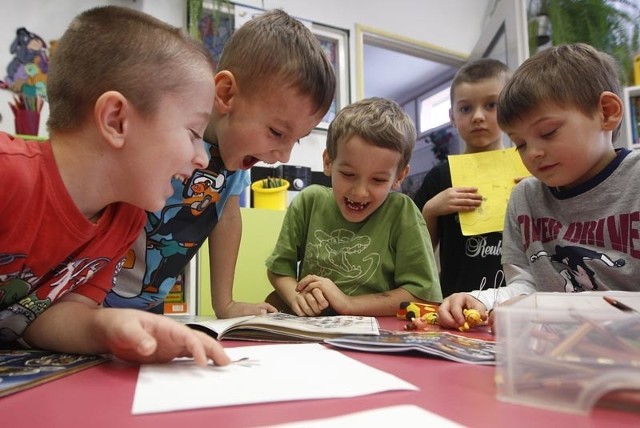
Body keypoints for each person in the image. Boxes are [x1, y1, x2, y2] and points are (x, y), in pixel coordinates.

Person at [0, 6, 230, 367]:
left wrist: (107, 327)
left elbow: (52, 318)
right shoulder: (8, 174)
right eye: (193, 133)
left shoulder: (125, 222)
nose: (202, 159)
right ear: (115, 120)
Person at [104, 9, 336, 318]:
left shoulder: (235, 161)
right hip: (86, 299)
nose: (284, 156)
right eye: (277, 132)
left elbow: (227, 222)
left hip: (147, 306)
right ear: (226, 94)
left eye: (297, 139)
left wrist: (224, 303)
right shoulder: (169, 137)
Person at [438, 43, 640, 330]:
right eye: (520, 143)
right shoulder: (525, 197)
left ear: (606, 112)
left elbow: (543, 302)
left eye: (548, 132)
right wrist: (484, 299)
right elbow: (528, 285)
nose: (531, 153)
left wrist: (547, 306)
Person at [265, 97, 442, 317]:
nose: (359, 192)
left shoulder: (401, 213)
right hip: (312, 331)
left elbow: (423, 295)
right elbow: (278, 269)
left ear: (399, 177)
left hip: (377, 336)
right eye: (348, 175)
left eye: (377, 180)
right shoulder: (309, 202)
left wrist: (347, 303)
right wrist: (295, 296)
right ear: (328, 162)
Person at [413, 58, 511, 299]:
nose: (478, 116)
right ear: (452, 117)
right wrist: (431, 209)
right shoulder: (440, 176)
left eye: (491, 105)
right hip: (454, 306)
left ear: (511, 108)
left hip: (515, 305)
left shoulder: (529, 170)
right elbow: (417, 254)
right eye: (466, 108)